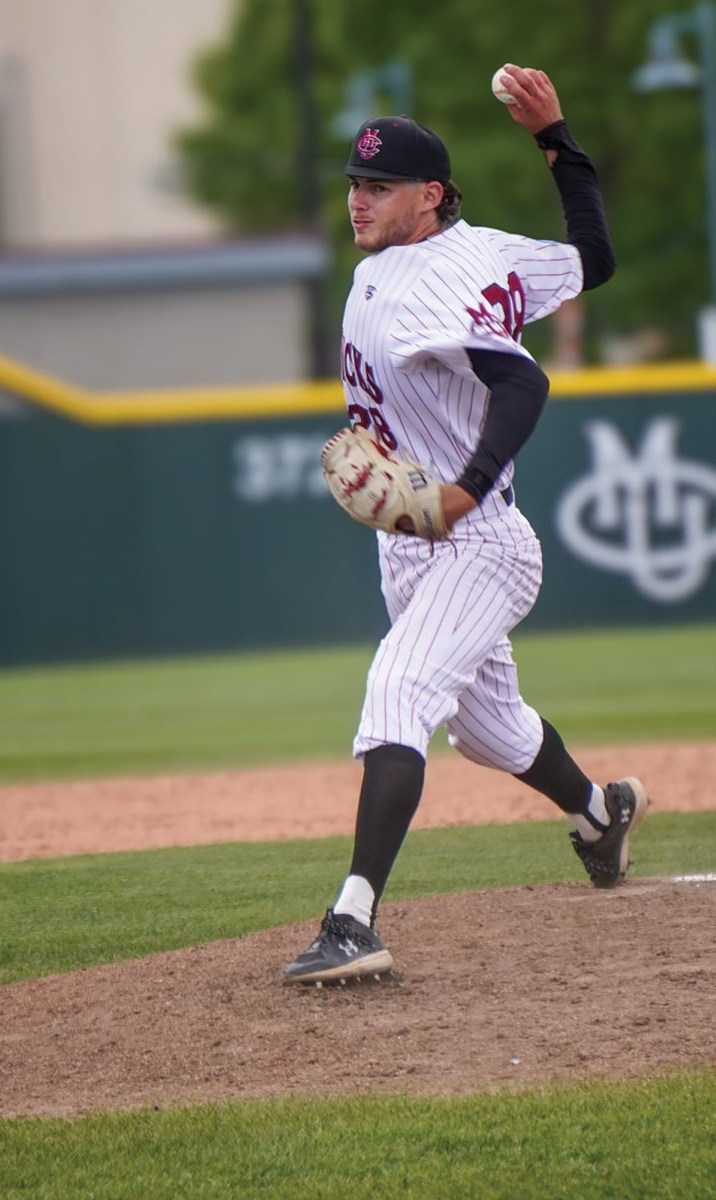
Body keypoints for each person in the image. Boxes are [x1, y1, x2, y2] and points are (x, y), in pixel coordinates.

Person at [284, 65, 648, 986]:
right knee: (490, 732)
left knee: (398, 688)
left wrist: (463, 490)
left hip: (477, 541)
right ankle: (601, 814)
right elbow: (593, 259)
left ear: (430, 195)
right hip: (413, 548)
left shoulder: (422, 287)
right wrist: (556, 138)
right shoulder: (476, 252)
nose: (361, 201)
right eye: (357, 185)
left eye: (381, 187)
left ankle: (354, 918)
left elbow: (525, 381)